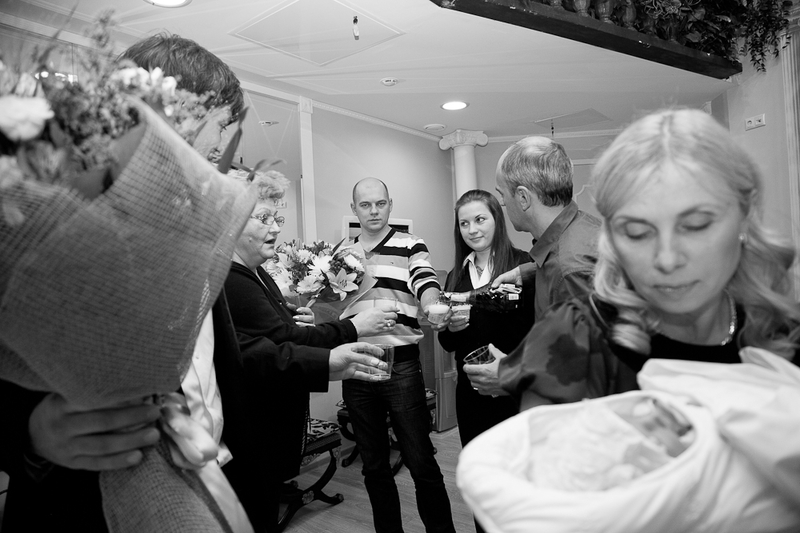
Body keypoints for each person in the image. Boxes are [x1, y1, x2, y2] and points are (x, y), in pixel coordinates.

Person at [0, 34, 384, 533]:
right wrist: (33, 433)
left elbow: (230, 358)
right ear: (169, 114)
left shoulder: (198, 235)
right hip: (85, 508)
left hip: (223, 476)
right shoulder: (49, 222)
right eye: (221, 124)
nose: (225, 146)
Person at [496, 108, 800, 412]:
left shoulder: (783, 333)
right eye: (637, 232)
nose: (666, 259)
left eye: (695, 226)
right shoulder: (577, 337)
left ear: (744, 218)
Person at [223, 168, 395, 528]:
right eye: (264, 218)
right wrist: (351, 330)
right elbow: (266, 351)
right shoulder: (231, 279)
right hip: (252, 436)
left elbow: (276, 335)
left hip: (272, 432)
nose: (275, 228)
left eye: (277, 218)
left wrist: (291, 319)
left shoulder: (258, 272)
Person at [338, 177, 456, 533]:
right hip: (357, 364)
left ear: (390, 204)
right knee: (374, 467)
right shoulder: (341, 253)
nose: (374, 211)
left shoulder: (410, 244)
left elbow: (425, 279)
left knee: (421, 462)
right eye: (365, 205)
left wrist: (432, 304)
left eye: (380, 203)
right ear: (354, 209)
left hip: (401, 366)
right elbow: (333, 304)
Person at [464, 136, 601, 401]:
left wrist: (511, 377)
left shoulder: (569, 270)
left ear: (523, 197)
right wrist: (528, 272)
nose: (503, 203)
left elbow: (587, 373)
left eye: (502, 194)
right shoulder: (583, 231)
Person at [433, 189, 535, 533]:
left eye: (480, 219)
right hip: (471, 394)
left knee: (519, 482)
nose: (472, 229)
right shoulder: (455, 276)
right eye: (464, 223)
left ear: (497, 220)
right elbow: (448, 343)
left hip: (513, 387)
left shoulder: (523, 266)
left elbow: (536, 328)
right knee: (482, 482)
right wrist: (450, 328)